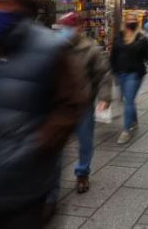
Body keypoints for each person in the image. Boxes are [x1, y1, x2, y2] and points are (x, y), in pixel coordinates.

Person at [0, 0, 86, 229]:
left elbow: (70, 107)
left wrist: (32, 149)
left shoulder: (49, 48)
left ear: (17, 5)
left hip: (26, 189)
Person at [49, 12, 113, 198]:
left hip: (82, 104)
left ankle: (82, 173)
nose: (64, 32)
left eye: (68, 28)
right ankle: (52, 187)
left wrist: (104, 98)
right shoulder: (53, 48)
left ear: (78, 29)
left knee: (85, 142)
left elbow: (103, 75)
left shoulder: (90, 49)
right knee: (55, 145)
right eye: (62, 28)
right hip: (59, 105)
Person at [111, 13, 148, 144]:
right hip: (120, 72)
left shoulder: (142, 38)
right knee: (128, 99)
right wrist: (112, 70)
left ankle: (126, 130)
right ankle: (134, 120)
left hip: (135, 73)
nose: (131, 22)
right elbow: (113, 54)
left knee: (128, 99)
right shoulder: (119, 36)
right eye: (129, 20)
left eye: (133, 20)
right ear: (125, 22)